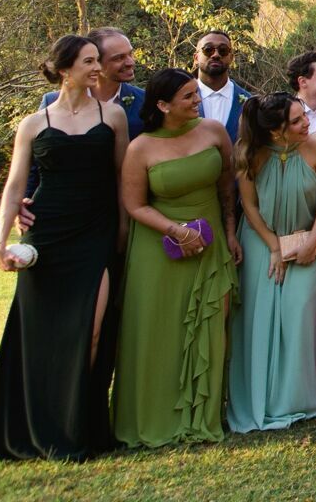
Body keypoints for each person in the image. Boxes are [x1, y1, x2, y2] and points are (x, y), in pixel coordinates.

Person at [0, 35, 128, 463]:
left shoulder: (113, 115)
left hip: (96, 233)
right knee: (43, 335)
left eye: (98, 60)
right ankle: (40, 429)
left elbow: (121, 180)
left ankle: (80, 426)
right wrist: (0, 240)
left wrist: (121, 235)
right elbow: (14, 185)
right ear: (65, 70)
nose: (97, 68)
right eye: (88, 61)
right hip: (47, 235)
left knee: (93, 331)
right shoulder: (33, 123)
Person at [113, 66, 240, 449]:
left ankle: (204, 414)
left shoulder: (214, 132)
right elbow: (134, 205)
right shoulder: (141, 148)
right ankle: (156, 415)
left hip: (212, 242)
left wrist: (230, 233)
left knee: (211, 328)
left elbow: (227, 188)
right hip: (158, 249)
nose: (197, 100)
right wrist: (175, 230)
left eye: (195, 94)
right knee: (159, 331)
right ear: (163, 105)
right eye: (187, 97)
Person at [228, 92, 316, 432]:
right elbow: (249, 206)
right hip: (262, 240)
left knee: (301, 313)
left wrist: (312, 240)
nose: (306, 122)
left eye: (303, 115)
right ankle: (261, 396)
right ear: (276, 132)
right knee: (259, 319)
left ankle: (297, 400)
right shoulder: (249, 153)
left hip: (308, 239)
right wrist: (274, 247)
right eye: (296, 120)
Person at [40, 26, 144, 140]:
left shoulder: (145, 99)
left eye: (130, 54)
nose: (131, 62)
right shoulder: (51, 101)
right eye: (119, 58)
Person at [190, 29, 250, 140]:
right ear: (196, 58)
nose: (216, 55)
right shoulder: (178, 101)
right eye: (208, 49)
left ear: (231, 57)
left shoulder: (249, 103)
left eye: (223, 50)